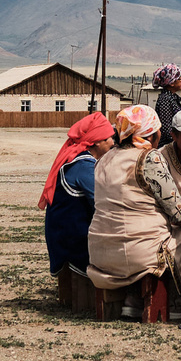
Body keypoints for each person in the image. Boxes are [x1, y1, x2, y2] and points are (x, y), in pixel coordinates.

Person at [87, 107, 181, 309]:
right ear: (152, 133)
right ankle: (176, 301)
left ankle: (133, 298)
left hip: (100, 252)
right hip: (140, 254)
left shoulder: (104, 159)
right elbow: (177, 212)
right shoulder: (149, 157)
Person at [40, 111, 113, 280]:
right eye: (108, 138)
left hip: (65, 234)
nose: (112, 142)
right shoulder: (83, 166)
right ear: (96, 142)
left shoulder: (83, 160)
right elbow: (103, 201)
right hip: (72, 240)